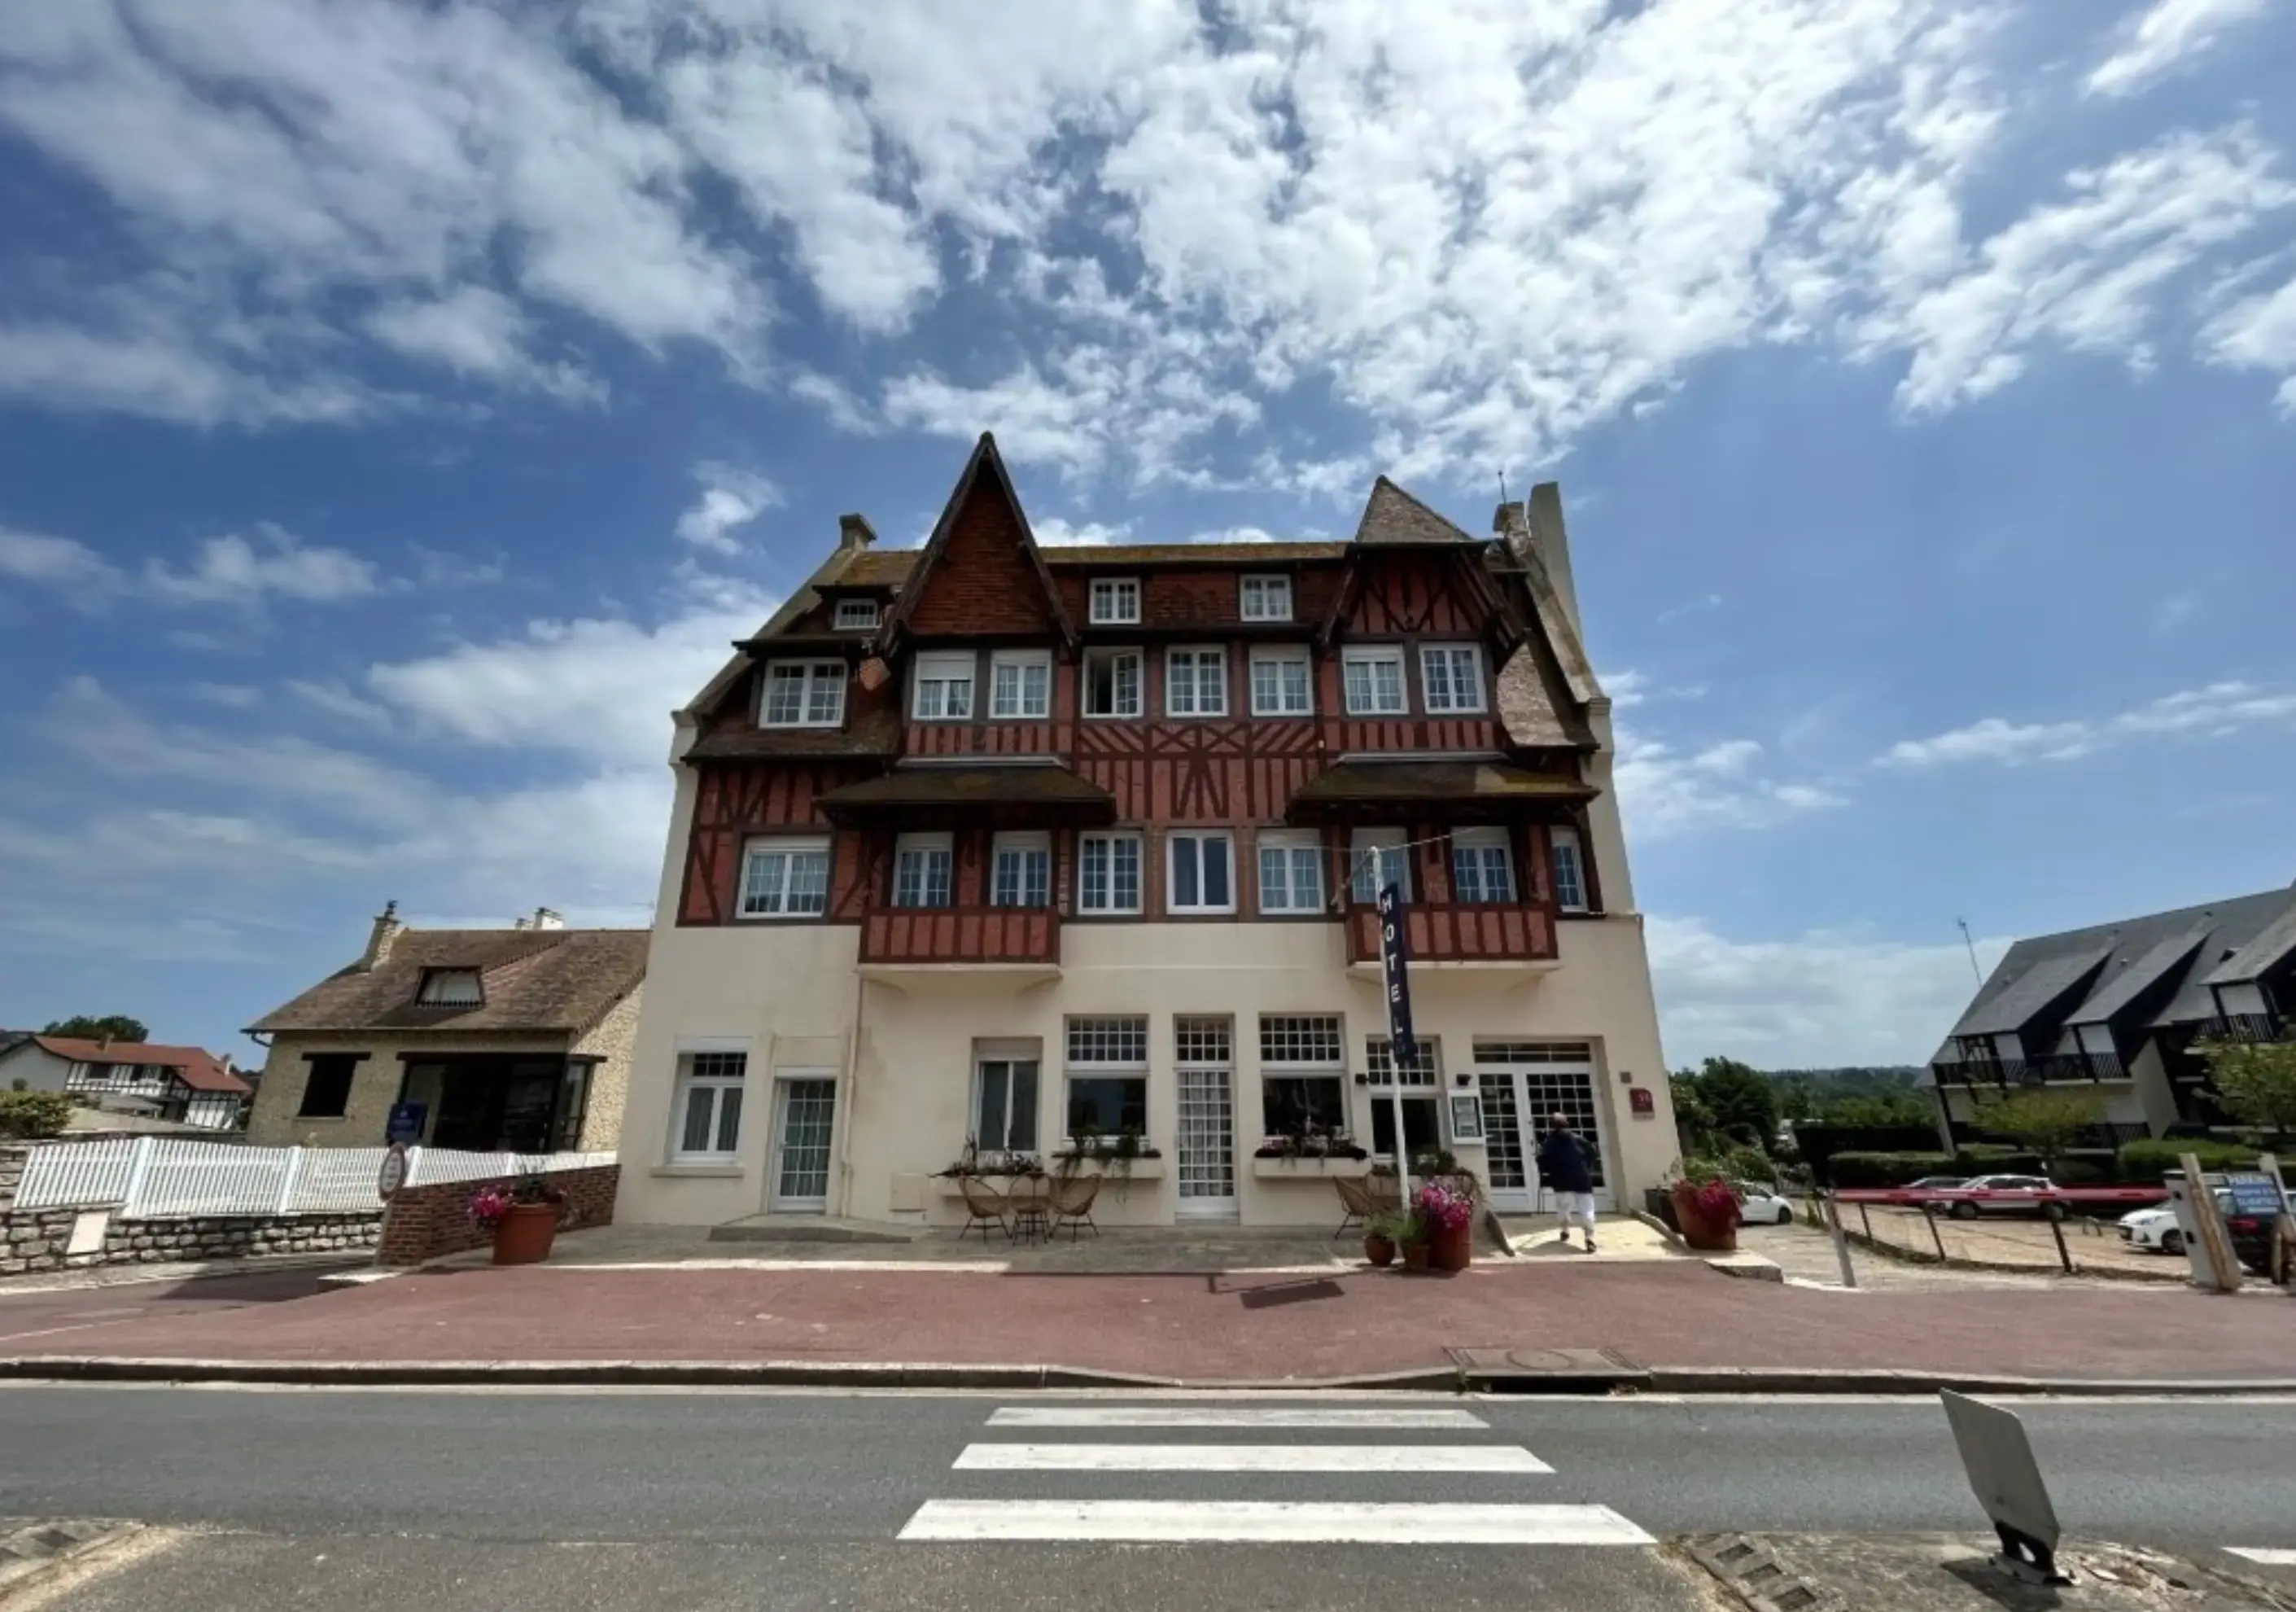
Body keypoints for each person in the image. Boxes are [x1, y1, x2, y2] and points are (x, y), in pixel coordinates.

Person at [1536, 1114, 1597, 1252]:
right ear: (1567, 1124)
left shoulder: (1549, 1143)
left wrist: (1547, 1172)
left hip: (1561, 1180)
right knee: (1587, 1210)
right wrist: (1586, 1167)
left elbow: (1541, 1161)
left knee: (1563, 1208)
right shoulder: (1578, 1139)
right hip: (1582, 1178)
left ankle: (1565, 1230)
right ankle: (1590, 1237)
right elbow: (1592, 1153)